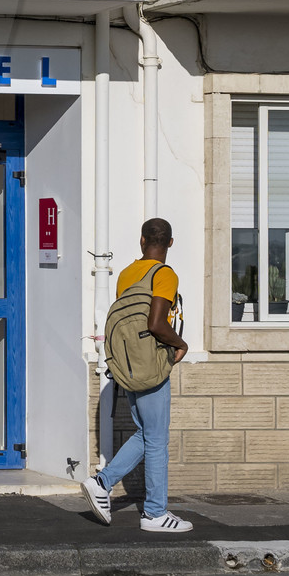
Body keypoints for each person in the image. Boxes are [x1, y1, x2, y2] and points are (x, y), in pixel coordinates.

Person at [84, 217, 192, 533]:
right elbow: (156, 323)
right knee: (157, 439)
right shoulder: (165, 274)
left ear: (142, 241)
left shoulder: (127, 274)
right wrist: (180, 343)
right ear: (170, 243)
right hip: (152, 365)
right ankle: (155, 514)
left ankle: (101, 482)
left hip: (128, 365)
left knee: (145, 432)